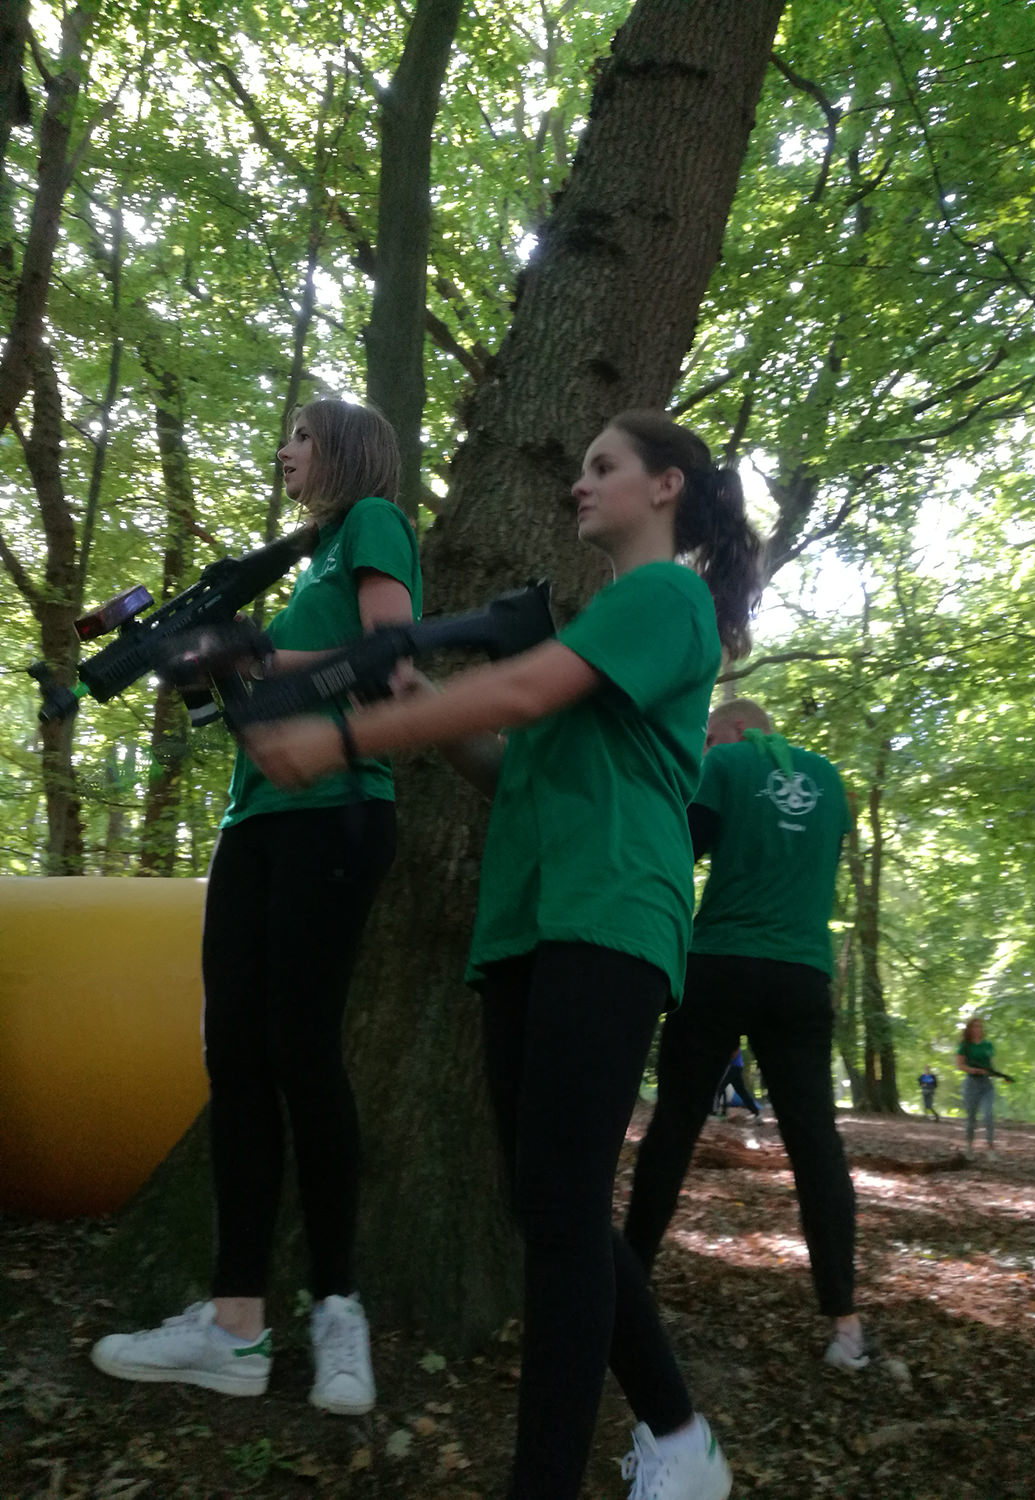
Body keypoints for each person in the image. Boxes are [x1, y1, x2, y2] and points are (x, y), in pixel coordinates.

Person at [244, 410, 763, 1500]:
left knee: (563, 1212)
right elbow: (516, 760)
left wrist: (336, 737)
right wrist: (430, 713)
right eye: (578, 466)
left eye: (603, 466)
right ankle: (676, 1444)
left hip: (611, 913)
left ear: (667, 487)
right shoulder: (609, 617)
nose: (580, 485)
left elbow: (525, 692)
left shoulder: (668, 597)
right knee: (549, 1205)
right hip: (530, 920)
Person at [91, 399, 423, 1416]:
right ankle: (236, 1328)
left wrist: (251, 657)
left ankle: (337, 1309)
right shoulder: (302, 564)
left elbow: (390, 672)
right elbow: (252, 703)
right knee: (232, 1053)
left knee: (301, 1049)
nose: (282, 452)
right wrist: (188, 662)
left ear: (346, 453)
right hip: (257, 822)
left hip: (339, 814)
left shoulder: (372, 525)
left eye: (298, 438)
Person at [623, 699, 869, 1372]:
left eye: (707, 738)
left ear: (733, 732)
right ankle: (844, 1320)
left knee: (673, 1126)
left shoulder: (725, 765)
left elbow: (681, 849)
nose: (702, 749)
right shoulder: (830, 782)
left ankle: (628, 1282)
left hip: (721, 962)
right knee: (814, 1139)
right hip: (800, 976)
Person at [956, 1016, 1000, 1157]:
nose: (977, 1029)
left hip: (986, 1084)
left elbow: (991, 1064)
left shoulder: (988, 1045)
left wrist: (994, 1072)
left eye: (979, 1026)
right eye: (974, 1026)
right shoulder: (965, 1046)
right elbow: (960, 1065)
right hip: (971, 1084)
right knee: (971, 1117)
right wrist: (973, 1070)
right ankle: (969, 1146)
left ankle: (990, 1148)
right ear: (970, 1029)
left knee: (988, 1115)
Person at [714, 1047, 761, 1120]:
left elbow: (736, 1051)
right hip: (737, 1067)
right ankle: (755, 1111)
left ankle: (713, 1112)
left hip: (732, 1066)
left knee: (719, 1087)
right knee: (741, 1091)